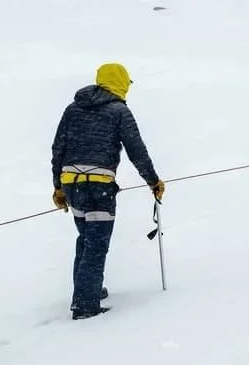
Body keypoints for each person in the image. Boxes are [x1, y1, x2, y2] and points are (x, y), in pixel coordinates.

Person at [50, 63, 165, 319]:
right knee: (96, 243)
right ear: (120, 82)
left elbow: (58, 147)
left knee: (86, 237)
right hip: (99, 184)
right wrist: (153, 181)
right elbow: (137, 150)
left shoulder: (73, 109)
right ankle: (85, 305)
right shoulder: (119, 111)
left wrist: (58, 186)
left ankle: (86, 289)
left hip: (72, 183)